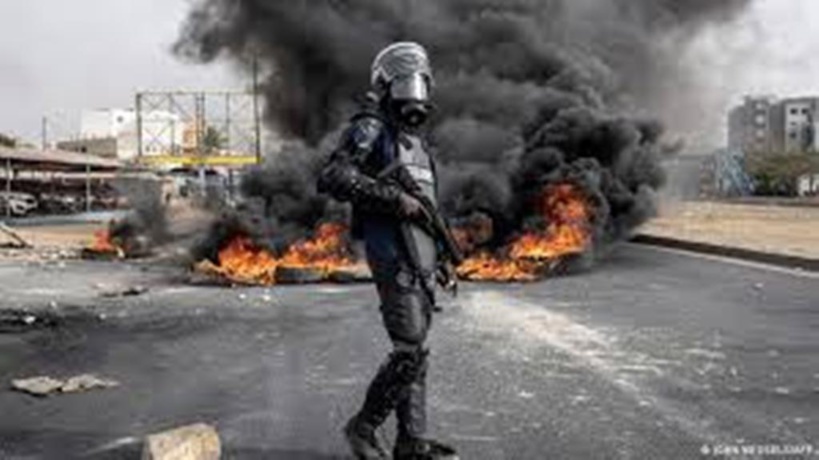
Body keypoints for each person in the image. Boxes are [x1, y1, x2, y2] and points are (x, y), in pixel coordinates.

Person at [318, 42, 458, 460]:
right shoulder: (370, 127)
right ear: (386, 83)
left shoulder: (416, 144)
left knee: (416, 353)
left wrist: (444, 259)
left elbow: (429, 211)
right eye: (405, 76)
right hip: (393, 255)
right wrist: (395, 200)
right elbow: (334, 176)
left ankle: (411, 442)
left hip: (422, 259)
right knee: (409, 350)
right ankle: (363, 428)